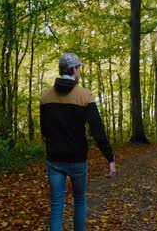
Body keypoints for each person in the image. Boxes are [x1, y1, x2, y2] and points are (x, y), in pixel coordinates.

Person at [40, 53, 116, 231]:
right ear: (74, 70)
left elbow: (45, 129)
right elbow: (98, 132)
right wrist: (110, 158)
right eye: (79, 68)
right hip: (77, 159)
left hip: (54, 159)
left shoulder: (45, 97)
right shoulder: (85, 96)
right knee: (80, 200)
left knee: (57, 206)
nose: (79, 71)